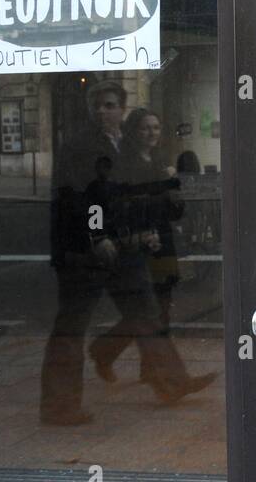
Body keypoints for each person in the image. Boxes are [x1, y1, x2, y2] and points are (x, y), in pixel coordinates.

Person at [87, 108, 214, 404]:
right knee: (147, 314)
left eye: (156, 128)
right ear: (133, 131)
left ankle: (113, 354)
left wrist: (173, 189)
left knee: (155, 310)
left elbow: (174, 211)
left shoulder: (158, 163)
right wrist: (114, 235)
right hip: (134, 247)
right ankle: (169, 381)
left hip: (160, 245)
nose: (152, 133)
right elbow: (111, 205)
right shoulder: (122, 164)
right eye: (145, 128)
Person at [40, 79, 130, 425]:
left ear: (122, 110)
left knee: (145, 312)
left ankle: (166, 378)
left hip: (110, 247)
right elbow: (82, 198)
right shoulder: (82, 145)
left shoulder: (119, 142)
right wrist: (97, 235)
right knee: (70, 327)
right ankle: (59, 405)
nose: (102, 111)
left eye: (109, 105)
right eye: (98, 105)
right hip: (81, 251)